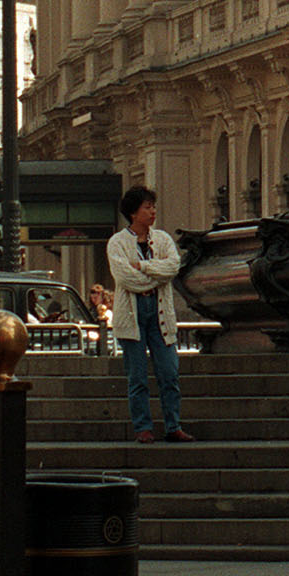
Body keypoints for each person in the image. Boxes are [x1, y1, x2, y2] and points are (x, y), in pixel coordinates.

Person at [105, 187, 194, 444]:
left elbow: (172, 267)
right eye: (147, 207)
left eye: (153, 206)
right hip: (132, 315)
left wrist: (143, 266)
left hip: (160, 312)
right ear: (133, 212)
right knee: (137, 376)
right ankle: (142, 427)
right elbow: (125, 277)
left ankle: (173, 425)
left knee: (169, 373)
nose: (152, 211)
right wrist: (154, 279)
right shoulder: (117, 242)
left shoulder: (163, 240)